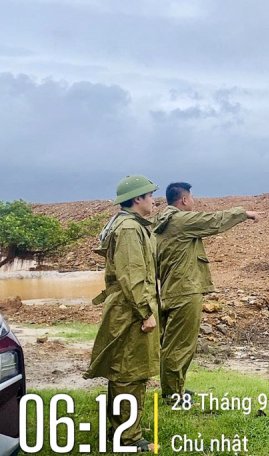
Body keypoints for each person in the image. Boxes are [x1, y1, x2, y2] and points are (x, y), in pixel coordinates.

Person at [153, 182, 260, 403]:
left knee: (172, 343)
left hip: (170, 289)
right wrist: (244, 214)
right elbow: (213, 221)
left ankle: (175, 389)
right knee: (180, 345)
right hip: (185, 291)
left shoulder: (162, 221)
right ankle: (173, 395)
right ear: (183, 200)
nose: (193, 201)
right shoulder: (182, 220)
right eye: (191, 198)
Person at [85, 175, 160, 452]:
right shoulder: (129, 229)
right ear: (138, 198)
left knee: (125, 371)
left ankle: (120, 430)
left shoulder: (127, 224)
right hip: (131, 311)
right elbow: (132, 276)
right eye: (150, 195)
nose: (153, 200)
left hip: (128, 308)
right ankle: (127, 438)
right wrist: (145, 313)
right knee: (129, 373)